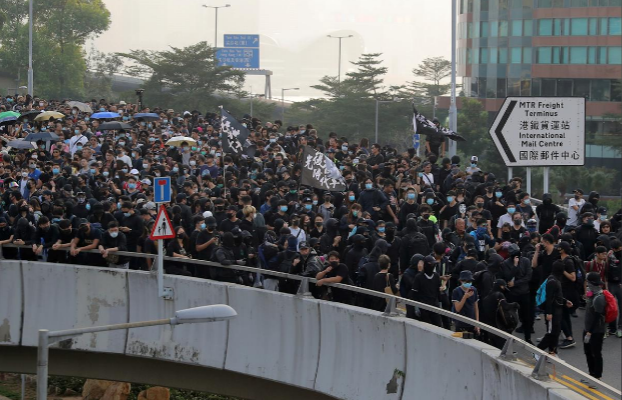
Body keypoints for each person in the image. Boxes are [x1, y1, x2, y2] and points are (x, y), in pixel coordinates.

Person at [583, 272, 607, 381]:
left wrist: (590, 332)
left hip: (596, 331)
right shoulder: (591, 293)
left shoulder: (599, 298)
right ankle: (591, 374)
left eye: (588, 282)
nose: (587, 284)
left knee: (596, 353)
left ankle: (597, 377)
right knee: (588, 352)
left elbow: (598, 316)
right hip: (588, 329)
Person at [452, 270, 480, 334]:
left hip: (472, 322)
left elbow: (476, 307)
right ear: (461, 281)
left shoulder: (474, 290)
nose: (468, 283)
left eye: (470, 281)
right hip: (461, 323)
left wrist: (477, 323)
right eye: (466, 281)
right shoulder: (456, 291)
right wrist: (465, 297)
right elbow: (457, 309)